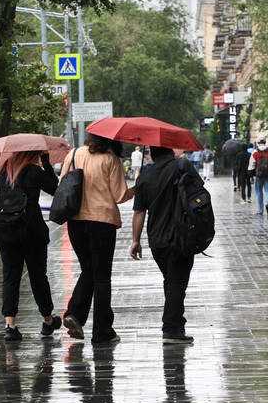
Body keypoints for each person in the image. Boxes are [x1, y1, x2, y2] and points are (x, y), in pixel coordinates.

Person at [60, 133, 134, 344]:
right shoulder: (111, 160)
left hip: (75, 221)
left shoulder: (73, 154)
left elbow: (62, 186)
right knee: (101, 276)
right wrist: (137, 188)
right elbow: (119, 196)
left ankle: (74, 314)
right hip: (102, 222)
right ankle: (102, 331)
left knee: (88, 269)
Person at [129, 146, 199, 343]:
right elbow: (198, 195)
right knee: (176, 282)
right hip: (182, 235)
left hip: (156, 239)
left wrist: (136, 241)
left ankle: (176, 323)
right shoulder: (181, 167)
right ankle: (171, 328)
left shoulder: (144, 176)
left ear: (151, 154)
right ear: (171, 152)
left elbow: (139, 212)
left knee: (171, 280)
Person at [0, 150, 61, 342]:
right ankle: (48, 321)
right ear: (32, 154)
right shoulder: (33, 171)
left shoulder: (3, 174)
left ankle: (10, 325)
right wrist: (47, 165)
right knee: (38, 276)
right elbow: (55, 188)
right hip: (32, 231)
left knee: (10, 277)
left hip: (7, 231)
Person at [248, 138, 268, 215]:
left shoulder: (255, 152)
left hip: (258, 175)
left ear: (258, 143)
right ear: (265, 142)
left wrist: (251, 176)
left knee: (259, 191)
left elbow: (252, 165)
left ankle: (260, 211)